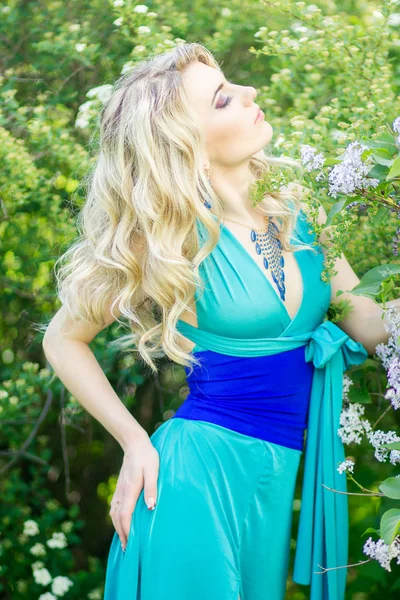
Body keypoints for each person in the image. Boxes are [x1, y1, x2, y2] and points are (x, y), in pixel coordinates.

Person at [43, 42, 382, 600]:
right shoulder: (168, 241)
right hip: (194, 484)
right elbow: (63, 339)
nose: (250, 94)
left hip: (268, 485)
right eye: (224, 99)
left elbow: (369, 325)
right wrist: (134, 442)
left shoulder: (302, 211)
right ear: (188, 147)